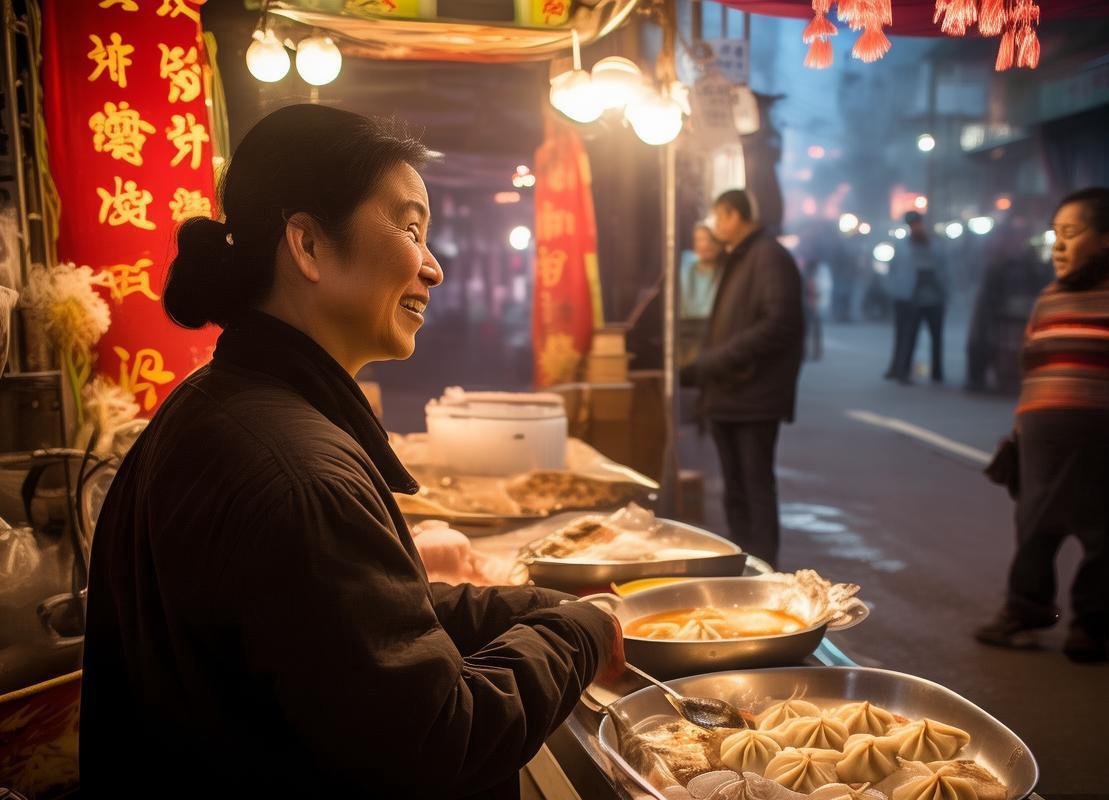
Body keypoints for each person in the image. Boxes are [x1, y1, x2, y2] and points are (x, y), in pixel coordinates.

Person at [80, 105, 621, 797]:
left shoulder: (224, 402)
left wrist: (534, 605)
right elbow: (440, 741)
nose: (433, 268)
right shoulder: (297, 473)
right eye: (410, 228)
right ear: (306, 244)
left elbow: (367, 620)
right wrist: (574, 634)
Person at [975, 187, 1109, 663]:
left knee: (1104, 538)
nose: (1057, 245)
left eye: (1071, 233)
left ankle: (1090, 629)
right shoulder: (1050, 295)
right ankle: (1025, 613)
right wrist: (1019, 431)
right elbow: (1035, 369)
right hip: (1041, 439)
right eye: (1055, 233)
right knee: (1034, 529)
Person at [681, 189, 804, 567]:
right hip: (731, 393)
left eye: (719, 218)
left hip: (753, 394)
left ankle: (764, 572)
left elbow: (779, 323)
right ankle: (745, 567)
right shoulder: (742, 257)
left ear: (734, 215)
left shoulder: (767, 256)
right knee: (736, 491)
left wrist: (716, 360)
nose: (716, 227)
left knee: (754, 488)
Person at [964, 220, 1049, 393]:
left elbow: (1038, 282)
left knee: (1015, 344)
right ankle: (991, 377)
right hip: (997, 309)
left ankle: (1014, 377)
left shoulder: (1030, 259)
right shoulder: (996, 260)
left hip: (1020, 310)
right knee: (991, 342)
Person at [884, 211, 949, 384]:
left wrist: (945, 288)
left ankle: (937, 373)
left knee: (936, 337)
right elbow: (894, 269)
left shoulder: (936, 245)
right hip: (911, 296)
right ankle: (902, 371)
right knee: (909, 335)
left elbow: (946, 269)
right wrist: (897, 289)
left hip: (934, 297)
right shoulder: (902, 246)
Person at [679, 223, 724, 365]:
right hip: (682, 336)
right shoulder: (683, 266)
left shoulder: (727, 273)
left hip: (713, 336)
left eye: (710, 239)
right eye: (699, 239)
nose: (705, 245)